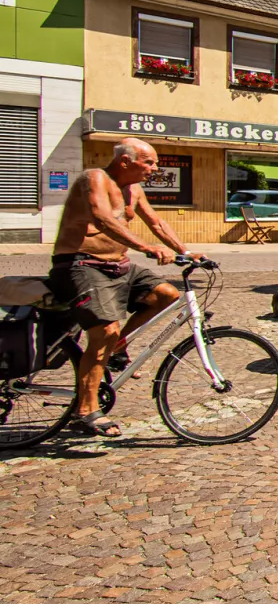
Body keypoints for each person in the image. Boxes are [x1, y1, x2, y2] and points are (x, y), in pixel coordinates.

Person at [50, 138, 197, 437]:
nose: (154, 169)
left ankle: (120, 346)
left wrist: (185, 251)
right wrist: (146, 248)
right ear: (125, 161)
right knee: (104, 332)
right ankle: (87, 409)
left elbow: (155, 222)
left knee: (166, 294)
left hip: (119, 266)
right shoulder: (94, 178)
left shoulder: (135, 190)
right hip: (81, 265)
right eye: (149, 162)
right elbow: (102, 218)